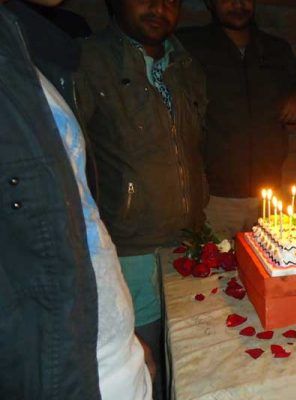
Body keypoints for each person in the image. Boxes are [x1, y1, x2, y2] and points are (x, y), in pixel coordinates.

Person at [0, 0, 151, 399]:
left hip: (112, 360)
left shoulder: (34, 55)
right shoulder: (89, 59)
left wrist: (124, 342)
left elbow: (70, 221)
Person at [76, 0, 209, 398]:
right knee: (145, 373)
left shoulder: (185, 64)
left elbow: (191, 146)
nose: (159, 7)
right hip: (129, 253)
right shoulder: (87, 62)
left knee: (189, 364)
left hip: (189, 245)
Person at [177, 0, 296, 239]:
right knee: (212, 273)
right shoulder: (190, 46)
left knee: (269, 270)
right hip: (212, 200)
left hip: (269, 197)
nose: (238, 4)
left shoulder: (275, 49)